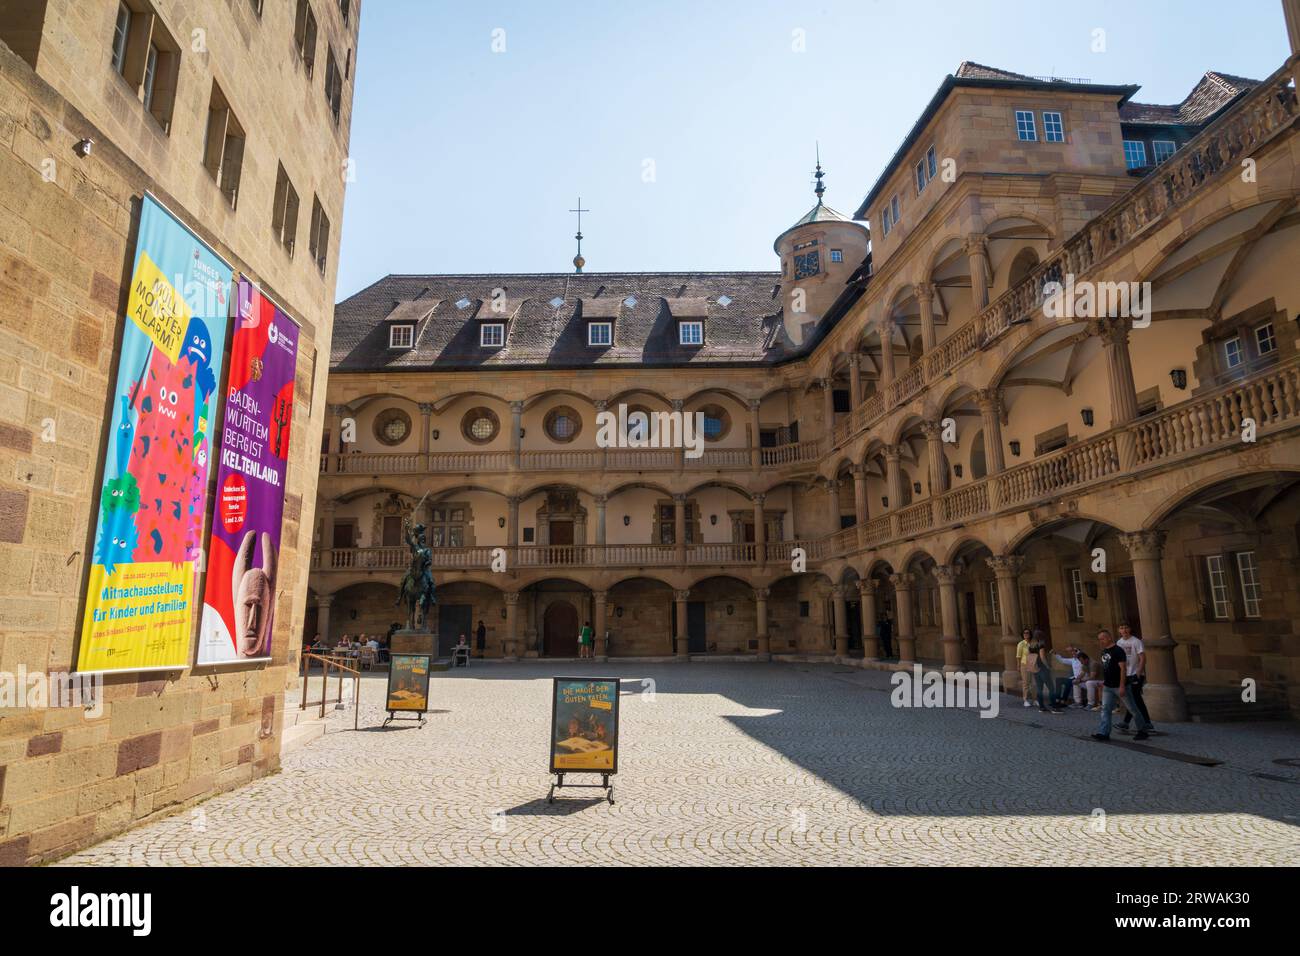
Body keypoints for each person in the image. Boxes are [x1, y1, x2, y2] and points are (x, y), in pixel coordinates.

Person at [1093, 628, 1151, 741]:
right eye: (1099, 639)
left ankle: (1143, 730)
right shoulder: (1104, 651)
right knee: (1105, 709)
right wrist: (1104, 683)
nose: (1101, 641)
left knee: (1133, 708)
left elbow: (1123, 669)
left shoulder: (1118, 651)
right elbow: (1107, 669)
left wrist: (1122, 685)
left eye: (1103, 638)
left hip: (1119, 685)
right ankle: (1104, 733)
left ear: (1109, 637)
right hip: (1108, 686)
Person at [1116, 623, 1154, 735]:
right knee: (1131, 699)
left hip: (1135, 674)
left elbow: (1142, 658)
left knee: (1136, 698)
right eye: (1122, 628)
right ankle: (1128, 723)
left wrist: (1138, 672)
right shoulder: (1119, 642)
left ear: (1130, 629)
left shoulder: (1136, 641)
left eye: (1126, 627)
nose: (1124, 630)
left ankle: (1145, 722)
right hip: (1125, 674)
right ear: (1119, 630)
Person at [1029, 630, 1062, 714]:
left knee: (1039, 689)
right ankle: (1054, 708)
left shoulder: (1031, 645)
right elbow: (1042, 657)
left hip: (1036, 669)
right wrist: (1047, 666)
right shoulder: (1041, 645)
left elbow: (1030, 657)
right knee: (1051, 688)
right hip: (1043, 668)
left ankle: (1041, 707)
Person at [1016, 628, 1034, 708]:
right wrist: (1018, 666)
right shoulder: (1021, 644)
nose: (1026, 634)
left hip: (1032, 664)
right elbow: (1018, 656)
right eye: (1024, 633)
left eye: (1027, 633)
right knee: (1026, 683)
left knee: (1032, 683)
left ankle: (1035, 699)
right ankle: (1025, 700)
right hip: (1024, 664)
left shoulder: (1032, 643)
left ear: (1030, 634)